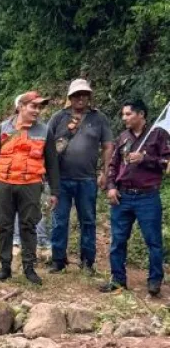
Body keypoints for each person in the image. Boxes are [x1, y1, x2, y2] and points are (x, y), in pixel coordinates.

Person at [0, 92, 60, 285]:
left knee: (28, 226)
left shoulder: (44, 131)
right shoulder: (1, 129)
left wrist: (55, 191)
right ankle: (5, 267)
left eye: (40, 107)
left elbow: (52, 163)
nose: (37, 111)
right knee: (5, 226)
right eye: (33, 106)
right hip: (3, 183)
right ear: (21, 107)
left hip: (31, 185)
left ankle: (29, 268)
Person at [101, 100, 170, 296]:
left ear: (141, 115)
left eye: (128, 114)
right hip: (123, 196)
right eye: (123, 114)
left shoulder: (158, 135)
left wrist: (145, 159)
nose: (124, 118)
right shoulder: (123, 137)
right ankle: (117, 280)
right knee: (118, 241)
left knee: (153, 241)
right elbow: (113, 165)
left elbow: (167, 164)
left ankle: (155, 281)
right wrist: (111, 187)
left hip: (147, 196)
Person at [46, 79, 114, 275]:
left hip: (87, 179)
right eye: (77, 95)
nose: (81, 98)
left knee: (88, 220)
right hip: (61, 179)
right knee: (60, 220)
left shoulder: (98, 118)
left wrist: (105, 171)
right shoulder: (58, 117)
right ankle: (58, 260)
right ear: (70, 97)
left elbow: (108, 145)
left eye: (84, 94)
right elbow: (46, 145)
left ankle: (87, 262)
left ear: (89, 97)